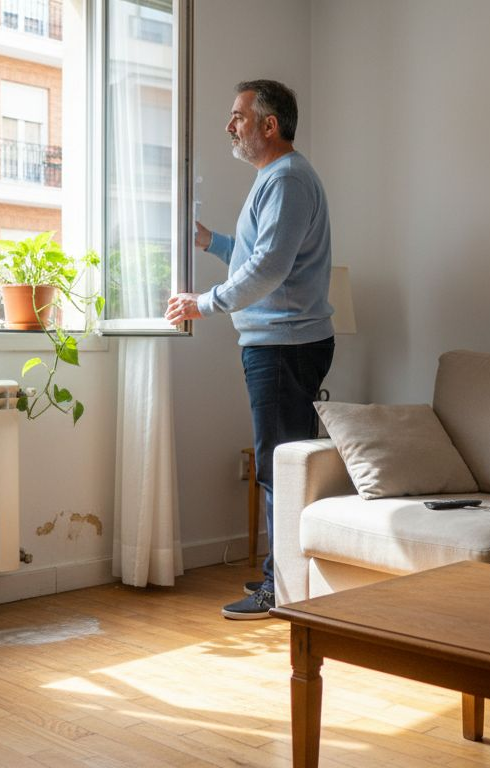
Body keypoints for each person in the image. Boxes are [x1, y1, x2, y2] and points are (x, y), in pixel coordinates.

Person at [165, 79, 334, 620]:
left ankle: (279, 587)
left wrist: (204, 303)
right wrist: (208, 241)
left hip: (284, 345)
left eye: (238, 115)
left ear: (270, 124)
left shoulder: (286, 180)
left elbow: (268, 269)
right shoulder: (276, 179)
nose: (229, 125)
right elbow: (255, 253)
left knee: (277, 469)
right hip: (277, 343)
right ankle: (283, 574)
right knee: (279, 466)